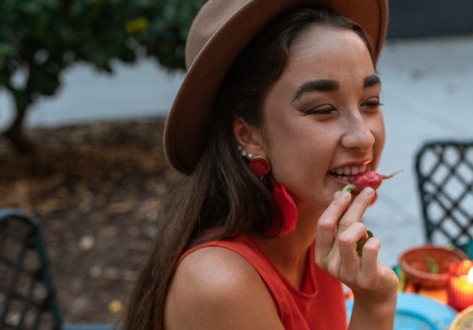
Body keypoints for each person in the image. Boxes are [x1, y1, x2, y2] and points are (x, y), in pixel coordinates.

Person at [123, 0, 397, 329]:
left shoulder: (316, 236)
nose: (363, 137)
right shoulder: (222, 284)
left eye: (370, 102)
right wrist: (376, 302)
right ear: (248, 134)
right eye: (322, 109)